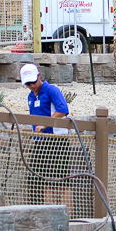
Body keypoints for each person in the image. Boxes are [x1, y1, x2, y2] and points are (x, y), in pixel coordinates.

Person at [20, 63, 72, 212]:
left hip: (56, 141)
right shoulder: (31, 96)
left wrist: (44, 124)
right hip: (40, 142)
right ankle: (49, 214)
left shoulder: (51, 90)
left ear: (39, 76)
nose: (31, 85)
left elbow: (63, 109)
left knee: (62, 181)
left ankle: (67, 215)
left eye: (33, 82)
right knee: (45, 181)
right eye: (28, 84)